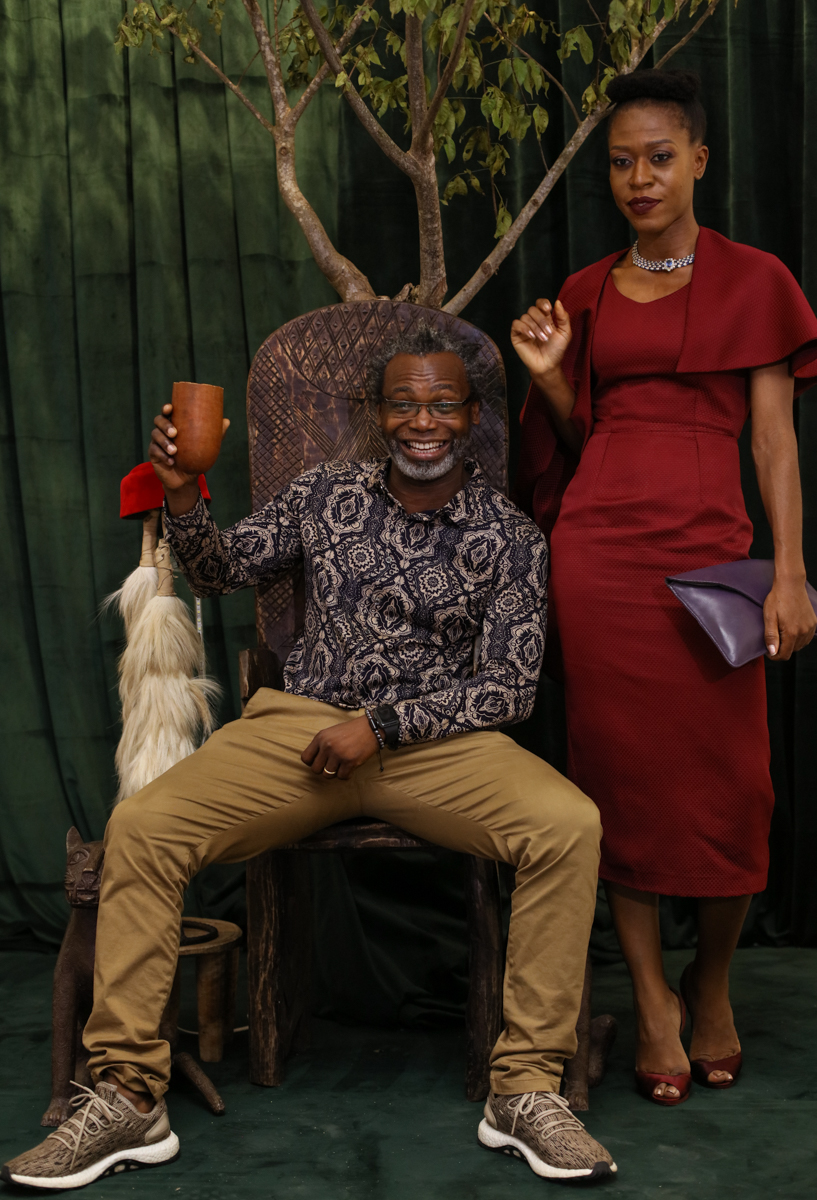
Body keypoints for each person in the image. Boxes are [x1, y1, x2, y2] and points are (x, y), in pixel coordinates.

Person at [3, 324, 616, 1189]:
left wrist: (382, 726)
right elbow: (218, 570)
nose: (423, 422)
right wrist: (181, 495)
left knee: (567, 824)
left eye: (443, 404)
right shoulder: (325, 494)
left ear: (472, 416)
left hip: (439, 745)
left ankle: (524, 1089)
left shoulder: (511, 537)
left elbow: (509, 689)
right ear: (378, 413)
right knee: (143, 825)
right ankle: (128, 1094)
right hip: (300, 730)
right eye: (403, 404)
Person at [512, 68, 817, 1107]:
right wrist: (552, 379)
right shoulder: (586, 292)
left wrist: (789, 572)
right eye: (619, 162)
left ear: (697, 160)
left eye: (656, 157)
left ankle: (710, 982)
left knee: (735, 787)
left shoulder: (756, 282)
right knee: (621, 784)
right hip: (598, 555)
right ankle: (650, 1001)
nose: (637, 178)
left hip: (712, 556)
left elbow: (772, 442)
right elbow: (576, 440)